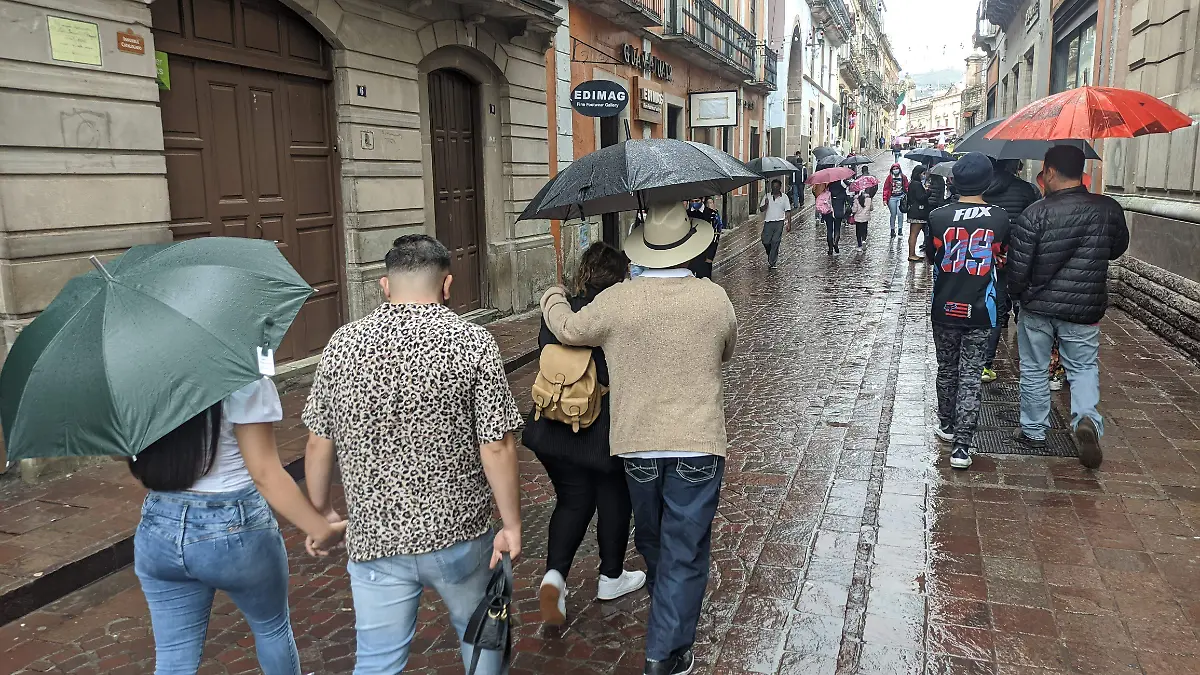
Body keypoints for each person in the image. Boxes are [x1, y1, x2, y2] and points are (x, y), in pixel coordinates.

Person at [302, 235, 524, 674]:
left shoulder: (342, 344)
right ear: (447, 285)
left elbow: (317, 440)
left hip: (375, 536)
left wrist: (322, 511)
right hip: (458, 531)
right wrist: (512, 524)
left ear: (385, 286)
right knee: (480, 637)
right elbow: (497, 444)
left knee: (377, 662)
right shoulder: (472, 342)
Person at [540, 202, 737, 675]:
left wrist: (552, 296)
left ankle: (667, 643)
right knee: (683, 549)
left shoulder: (618, 300)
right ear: (689, 248)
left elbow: (568, 328)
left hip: (637, 446)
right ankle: (663, 654)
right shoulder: (714, 298)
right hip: (696, 443)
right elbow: (726, 350)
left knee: (652, 541)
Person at [129, 378, 347, 674]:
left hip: (159, 524)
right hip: (234, 524)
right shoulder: (242, 379)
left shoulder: (143, 380)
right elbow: (265, 473)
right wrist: (320, 529)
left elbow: (123, 452)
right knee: (271, 627)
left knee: (173, 658)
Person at [525, 243, 646, 625]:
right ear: (621, 277)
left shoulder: (560, 312)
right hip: (601, 428)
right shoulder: (621, 314)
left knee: (573, 501)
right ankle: (611, 576)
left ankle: (554, 578)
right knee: (614, 496)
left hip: (553, 426)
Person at [1007, 146, 1129, 469]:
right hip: (1084, 306)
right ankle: (1086, 419)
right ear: (1081, 172)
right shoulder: (1108, 209)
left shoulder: (1034, 214)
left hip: (1038, 307)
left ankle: (1033, 430)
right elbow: (1116, 248)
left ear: (1049, 171)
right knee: (1083, 367)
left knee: (1034, 367)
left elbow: (1018, 270)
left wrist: (1017, 295)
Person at [925, 153, 1013, 470]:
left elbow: (933, 256)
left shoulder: (938, 216)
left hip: (944, 306)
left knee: (947, 368)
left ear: (953, 181)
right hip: (981, 308)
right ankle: (962, 447)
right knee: (972, 375)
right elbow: (1002, 257)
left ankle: (947, 424)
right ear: (988, 182)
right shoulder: (1000, 218)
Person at [980, 159, 1041, 384]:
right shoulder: (1027, 190)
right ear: (1015, 166)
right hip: (1019, 256)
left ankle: (985, 364)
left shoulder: (981, 189)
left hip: (987, 256)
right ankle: (1029, 361)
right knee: (1021, 305)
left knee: (993, 308)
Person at [759, 179, 794, 269]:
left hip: (779, 222)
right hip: (768, 221)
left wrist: (789, 223)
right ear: (771, 187)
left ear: (780, 187)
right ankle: (770, 253)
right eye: (773, 187)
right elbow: (761, 209)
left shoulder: (784, 197)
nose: (775, 188)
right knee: (765, 241)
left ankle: (772, 262)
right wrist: (765, 205)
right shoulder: (767, 196)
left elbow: (788, 211)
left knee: (775, 241)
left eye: (777, 187)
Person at [687, 197, 724, 279]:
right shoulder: (686, 214)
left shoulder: (712, 215)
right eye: (692, 201)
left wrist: (710, 256)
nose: (694, 203)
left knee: (704, 280)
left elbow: (716, 236)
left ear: (702, 200)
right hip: (690, 254)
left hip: (705, 253)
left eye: (697, 201)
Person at [905, 164, 931, 261]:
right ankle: (911, 254)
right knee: (914, 234)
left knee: (915, 233)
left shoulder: (913, 183)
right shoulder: (917, 184)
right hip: (918, 213)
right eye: (923, 173)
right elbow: (921, 198)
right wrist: (928, 192)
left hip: (914, 212)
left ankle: (913, 254)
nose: (924, 175)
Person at [882, 163, 909, 238]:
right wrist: (884, 199)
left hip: (901, 197)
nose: (895, 170)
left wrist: (908, 195)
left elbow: (906, 186)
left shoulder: (903, 177)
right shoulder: (889, 178)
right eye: (894, 169)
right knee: (893, 214)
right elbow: (886, 188)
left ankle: (900, 229)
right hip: (892, 198)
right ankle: (892, 229)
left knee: (900, 213)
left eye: (896, 169)